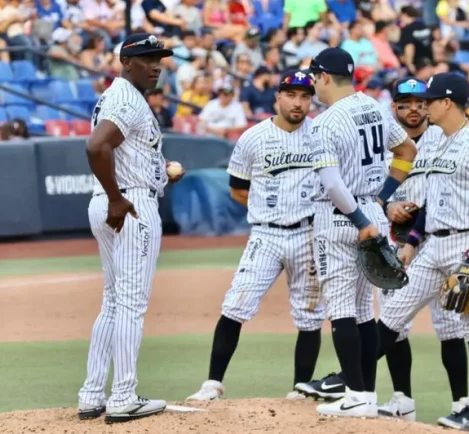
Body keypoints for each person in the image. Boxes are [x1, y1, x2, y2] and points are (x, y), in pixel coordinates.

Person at [298, 78, 469, 422]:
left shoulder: (442, 137)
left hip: (435, 238)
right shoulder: (381, 129)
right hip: (391, 236)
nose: (414, 109)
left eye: (420, 102)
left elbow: (446, 190)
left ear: (431, 104)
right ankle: (398, 396)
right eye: (404, 102)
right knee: (391, 321)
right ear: (394, 108)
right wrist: (385, 202)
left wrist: (410, 221)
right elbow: (372, 181)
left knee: (448, 324)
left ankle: (461, 404)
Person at [185, 70, 326, 402]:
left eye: (305, 96)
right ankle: (212, 383)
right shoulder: (253, 137)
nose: (298, 102)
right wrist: (268, 208)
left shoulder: (321, 134)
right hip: (266, 234)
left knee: (310, 314)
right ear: (277, 97)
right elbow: (237, 189)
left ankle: (301, 389)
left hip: (308, 234)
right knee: (235, 305)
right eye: (291, 95)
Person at [378, 72, 469, 433]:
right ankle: (354, 384)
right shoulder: (434, 142)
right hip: (433, 243)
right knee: (392, 313)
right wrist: (414, 242)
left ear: (447, 102)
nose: (424, 106)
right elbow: (430, 201)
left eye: (430, 100)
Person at [304, 47, 418, 418]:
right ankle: (367, 394)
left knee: (340, 309)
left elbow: (334, 185)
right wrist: (382, 198)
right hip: (371, 205)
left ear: (323, 77)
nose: (313, 85)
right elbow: (407, 149)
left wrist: (359, 221)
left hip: (342, 216)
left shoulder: (324, 122)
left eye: (313, 78)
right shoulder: (374, 106)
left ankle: (355, 395)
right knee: (363, 310)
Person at [78, 33, 185, 424]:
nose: (156, 64)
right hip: (129, 204)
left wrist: (160, 173)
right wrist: (117, 198)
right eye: (146, 58)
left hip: (118, 198)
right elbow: (96, 146)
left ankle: (92, 394)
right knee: (131, 303)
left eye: (159, 58)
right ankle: (123, 395)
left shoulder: (121, 96)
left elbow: (120, 151)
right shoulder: (125, 97)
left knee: (113, 300)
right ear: (125, 62)